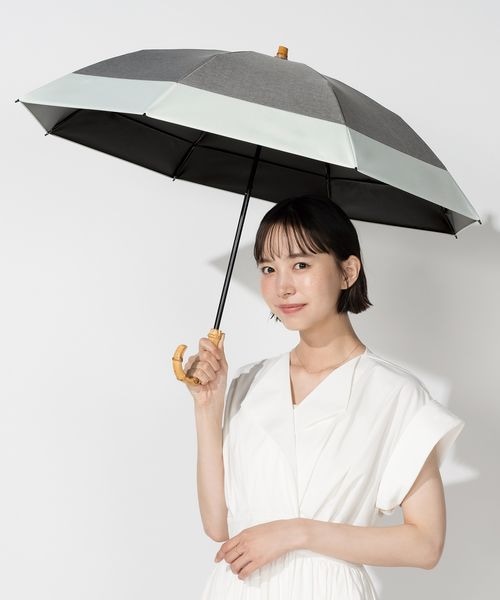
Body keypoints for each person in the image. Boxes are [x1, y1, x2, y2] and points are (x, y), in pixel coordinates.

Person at [183, 194, 465, 599]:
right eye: (268, 268)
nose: (282, 286)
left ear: (348, 271)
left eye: (301, 264)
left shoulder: (394, 394)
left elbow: (425, 544)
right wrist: (207, 404)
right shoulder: (249, 382)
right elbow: (218, 525)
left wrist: (298, 533)